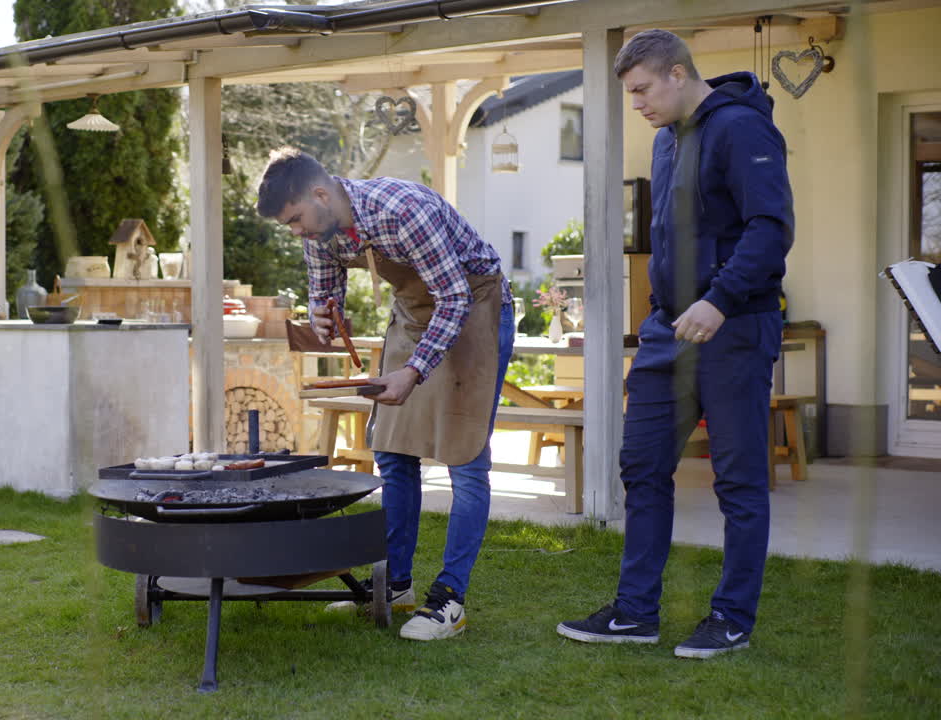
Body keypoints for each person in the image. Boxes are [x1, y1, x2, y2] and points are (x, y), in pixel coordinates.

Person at [556, 30, 793, 659]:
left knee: (738, 480)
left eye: (641, 90)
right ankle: (636, 613)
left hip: (734, 325)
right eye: (629, 93)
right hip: (667, 330)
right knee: (641, 465)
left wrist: (720, 299)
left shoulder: (743, 129)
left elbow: (771, 228)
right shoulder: (666, 142)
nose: (635, 104)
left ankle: (732, 618)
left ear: (679, 74)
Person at [256, 147, 514, 641]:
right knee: (392, 453)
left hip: (476, 305)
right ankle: (394, 585)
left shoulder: (400, 211)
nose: (297, 232)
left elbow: (455, 295)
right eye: (289, 226)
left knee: (466, 455)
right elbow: (324, 291)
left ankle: (449, 600)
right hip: (415, 315)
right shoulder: (321, 230)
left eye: (296, 220)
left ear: (320, 193)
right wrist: (322, 314)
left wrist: (414, 370)